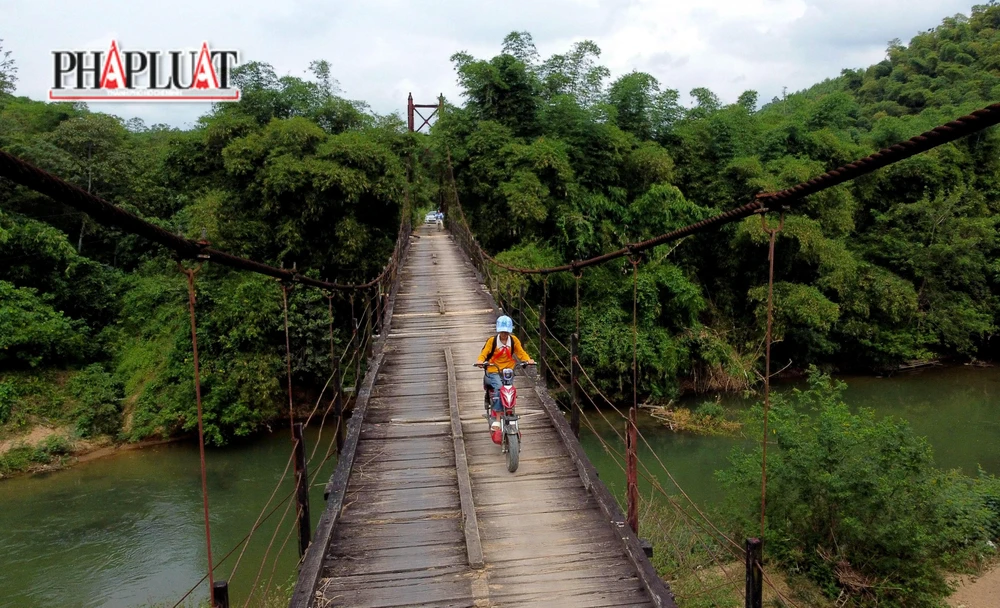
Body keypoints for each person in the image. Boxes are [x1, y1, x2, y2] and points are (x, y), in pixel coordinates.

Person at [475, 315, 535, 431]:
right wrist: (480, 361)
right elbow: (484, 353)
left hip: (508, 369)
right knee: (499, 389)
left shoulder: (513, 340)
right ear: (499, 331)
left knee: (509, 391)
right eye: (502, 332)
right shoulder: (492, 341)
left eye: (506, 332)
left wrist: (528, 360)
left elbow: (520, 352)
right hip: (494, 369)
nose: (504, 335)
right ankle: (497, 419)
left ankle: (510, 411)